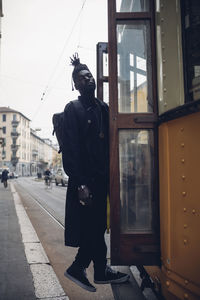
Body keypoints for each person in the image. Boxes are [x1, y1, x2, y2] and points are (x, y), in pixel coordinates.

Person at [62, 53, 129, 292]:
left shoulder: (103, 108)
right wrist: (80, 184)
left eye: (89, 74)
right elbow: (70, 150)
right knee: (93, 228)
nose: (88, 78)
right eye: (82, 77)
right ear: (75, 84)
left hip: (102, 181)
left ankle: (100, 270)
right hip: (85, 182)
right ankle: (78, 266)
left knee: (98, 226)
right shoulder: (73, 109)